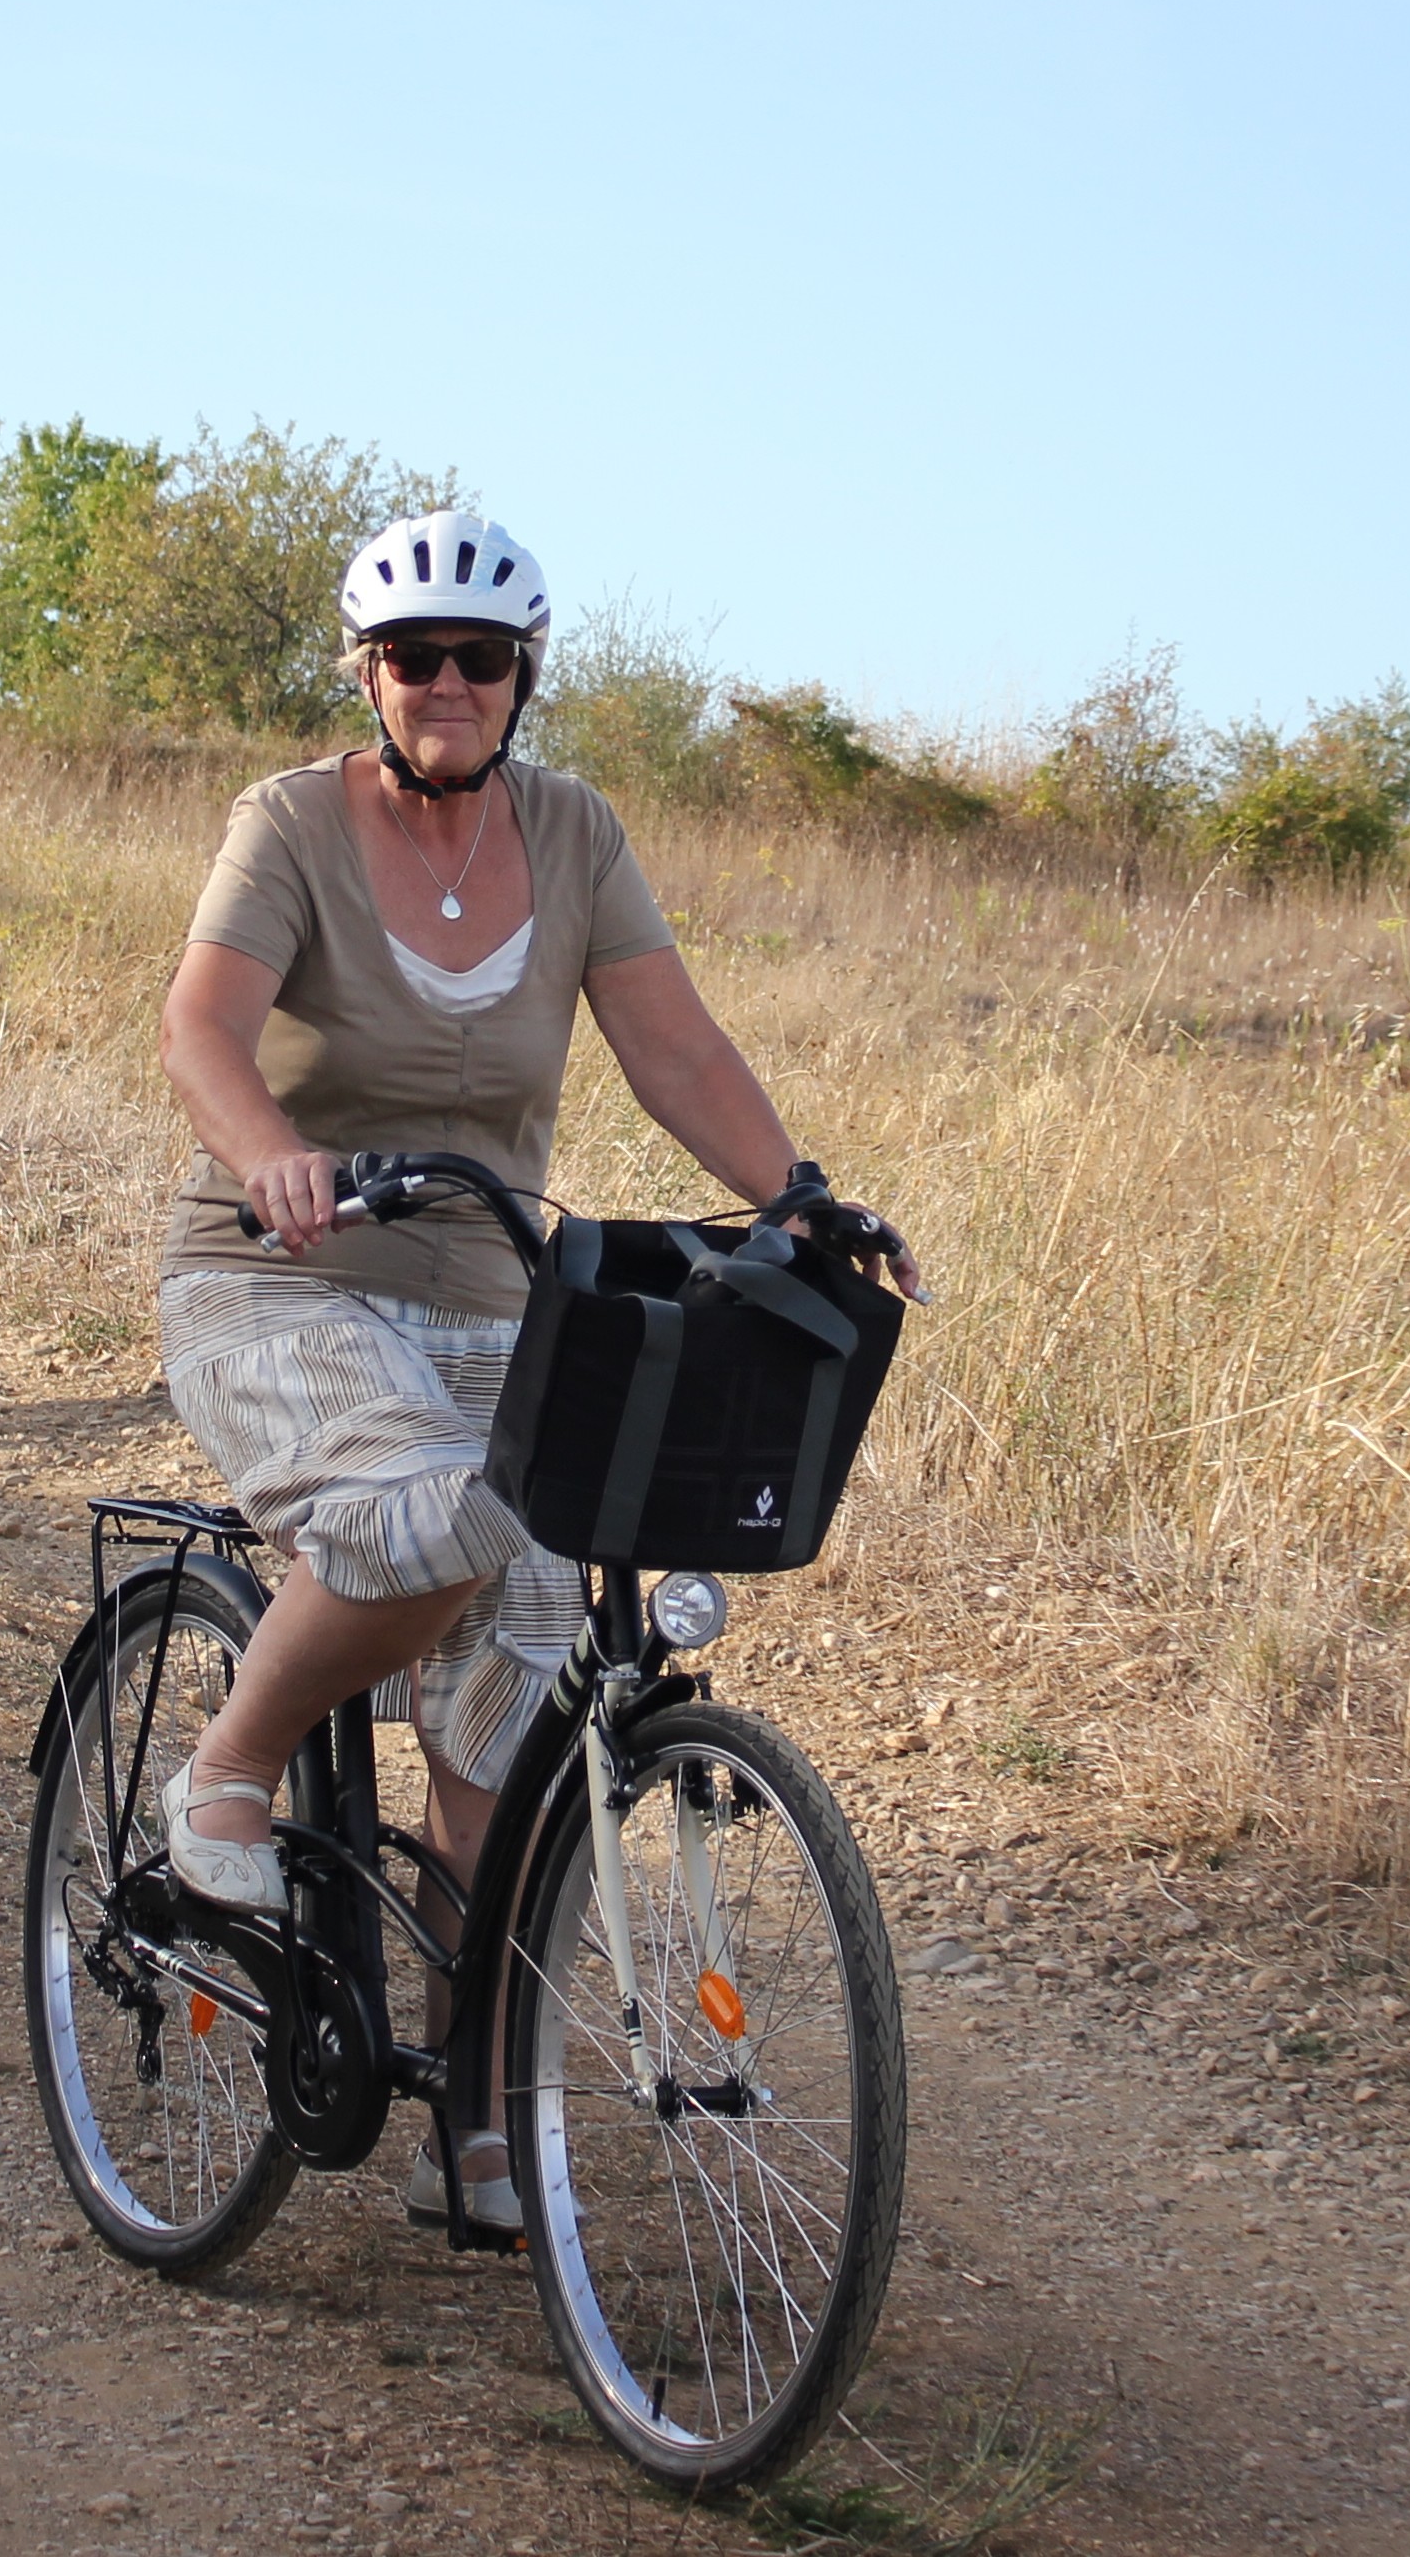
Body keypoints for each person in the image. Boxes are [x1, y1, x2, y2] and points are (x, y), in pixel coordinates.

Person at [151, 510, 920, 2233]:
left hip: (498, 1301)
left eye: (479, 658)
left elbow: (675, 1046)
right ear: (367, 672)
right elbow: (201, 1027)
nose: (447, 684)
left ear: (523, 676)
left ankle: (481, 2115)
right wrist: (273, 1156)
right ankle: (232, 1766)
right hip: (280, 1283)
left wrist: (797, 1200)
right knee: (449, 1512)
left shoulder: (572, 834)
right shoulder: (287, 822)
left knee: (516, 1704)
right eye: (413, 657)